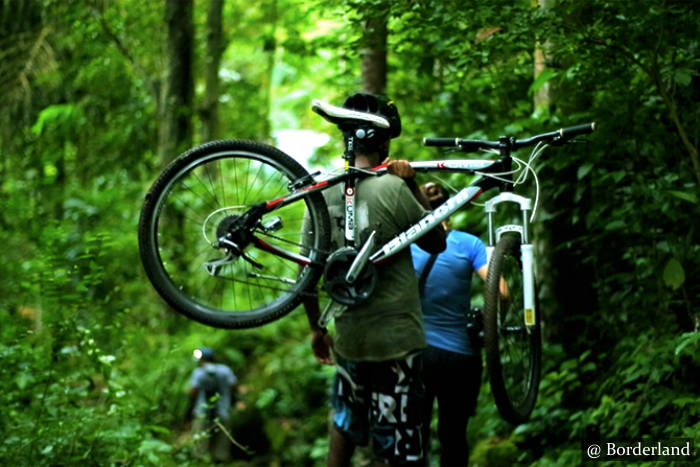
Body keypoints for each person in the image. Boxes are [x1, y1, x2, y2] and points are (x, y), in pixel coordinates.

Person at [303, 92, 446, 467]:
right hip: (398, 343)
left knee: (344, 426)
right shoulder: (393, 188)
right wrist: (413, 185)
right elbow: (436, 241)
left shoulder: (321, 192)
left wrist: (317, 328)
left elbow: (308, 269)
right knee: (400, 445)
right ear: (383, 142)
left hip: (349, 340)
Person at [410, 182, 488, 466]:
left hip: (417, 353)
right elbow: (500, 291)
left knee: (413, 435)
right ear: (452, 206)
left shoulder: (404, 243)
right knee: (454, 436)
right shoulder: (469, 244)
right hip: (461, 357)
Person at [188, 347, 238, 462]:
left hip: (202, 412)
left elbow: (192, 392)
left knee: (200, 441)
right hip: (223, 410)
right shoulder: (225, 370)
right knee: (222, 442)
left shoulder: (198, 372)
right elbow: (234, 386)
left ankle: (200, 461)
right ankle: (221, 460)